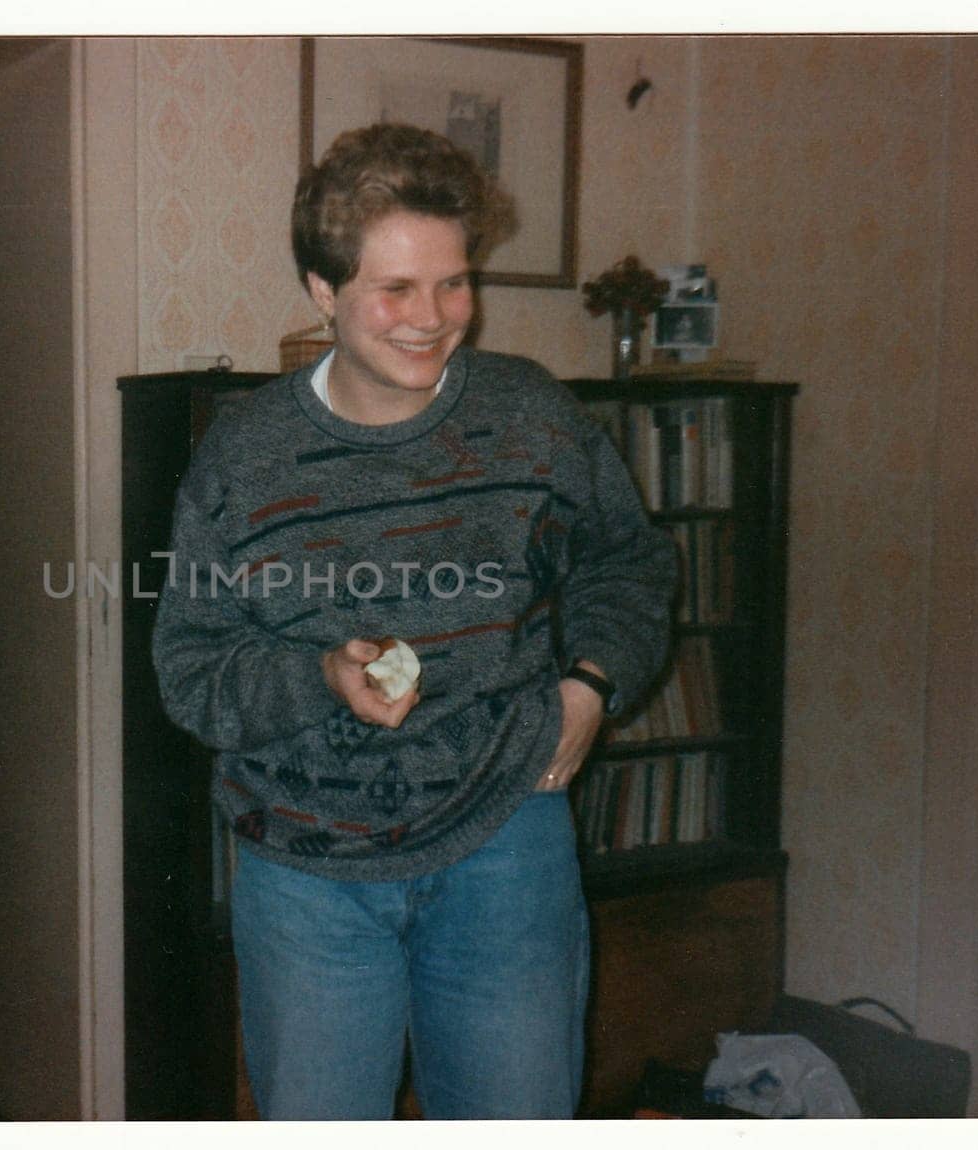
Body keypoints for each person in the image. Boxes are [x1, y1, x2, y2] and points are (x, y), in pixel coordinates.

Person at [152, 122, 676, 1120]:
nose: (433, 319)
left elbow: (631, 558)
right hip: (307, 876)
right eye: (395, 289)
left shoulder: (530, 416)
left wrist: (592, 684)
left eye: (453, 283)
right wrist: (318, 675)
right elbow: (190, 670)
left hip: (507, 844)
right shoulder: (241, 455)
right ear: (322, 288)